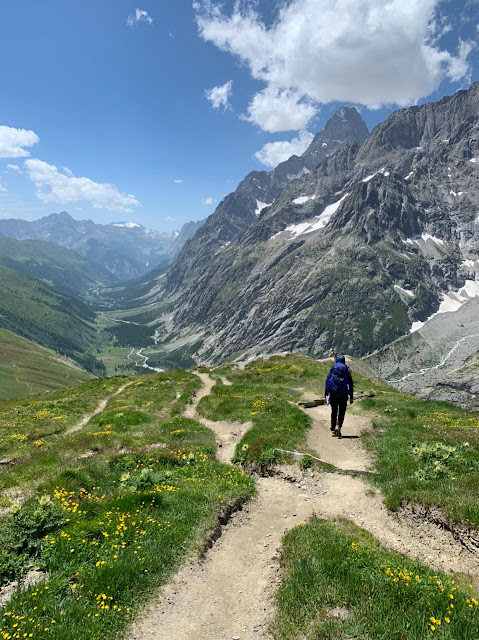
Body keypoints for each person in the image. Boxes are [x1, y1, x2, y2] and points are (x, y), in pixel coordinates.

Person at [324, 354, 354, 439]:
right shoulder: (346, 371)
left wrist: (326, 393)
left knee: (334, 410)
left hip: (333, 394)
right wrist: (351, 397)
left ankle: (333, 427)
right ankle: (338, 425)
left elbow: (327, 381)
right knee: (341, 412)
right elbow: (351, 384)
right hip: (344, 395)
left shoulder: (333, 369)